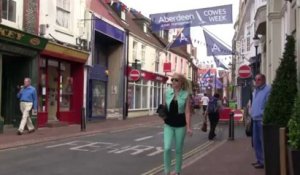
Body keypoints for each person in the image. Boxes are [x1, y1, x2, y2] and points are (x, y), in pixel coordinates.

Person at [163, 73, 193, 175]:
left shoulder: (185, 94)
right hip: (168, 125)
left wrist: (189, 127)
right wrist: (162, 115)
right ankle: (167, 171)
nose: (173, 82)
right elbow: (164, 107)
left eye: (176, 80)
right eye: (172, 80)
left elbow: (187, 112)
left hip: (180, 125)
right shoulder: (167, 92)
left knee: (178, 149)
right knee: (167, 148)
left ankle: (177, 171)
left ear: (181, 82)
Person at [250, 73, 271, 169]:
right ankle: (259, 160)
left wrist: (264, 116)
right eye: (256, 79)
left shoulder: (268, 90)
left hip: (261, 120)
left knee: (263, 142)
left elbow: (268, 105)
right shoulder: (255, 91)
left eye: (258, 79)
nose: (256, 81)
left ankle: (264, 161)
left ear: (263, 80)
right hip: (254, 119)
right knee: (256, 141)